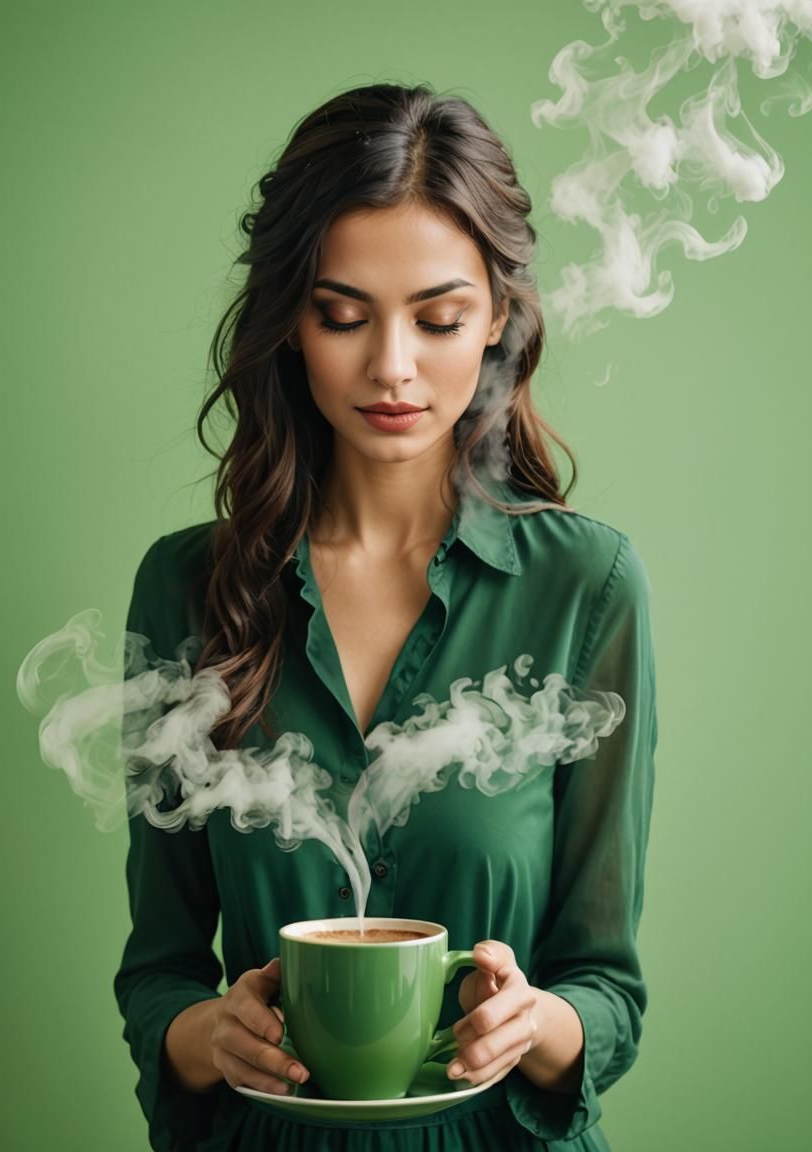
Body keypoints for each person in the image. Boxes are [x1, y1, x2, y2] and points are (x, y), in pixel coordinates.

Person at [113, 81, 658, 1152]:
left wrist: (529, 1022)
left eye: (439, 317)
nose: (392, 367)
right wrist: (206, 1033)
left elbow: (606, 991)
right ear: (288, 325)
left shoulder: (585, 588)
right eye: (342, 316)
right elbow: (160, 974)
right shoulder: (188, 590)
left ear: (495, 318)